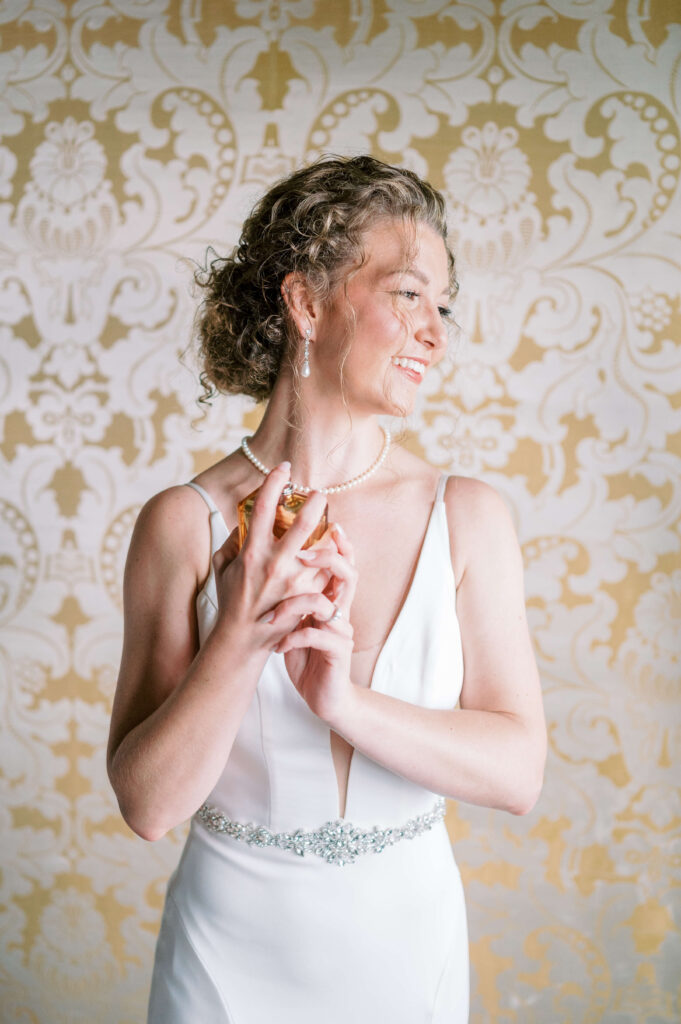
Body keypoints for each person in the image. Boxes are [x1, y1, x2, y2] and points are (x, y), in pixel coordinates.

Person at [107, 154, 546, 1024]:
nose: (436, 333)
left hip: (407, 951)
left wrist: (339, 700)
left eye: (443, 306)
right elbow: (149, 806)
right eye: (408, 295)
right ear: (306, 303)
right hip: (226, 960)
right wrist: (236, 634)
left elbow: (518, 771)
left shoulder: (466, 516)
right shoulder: (181, 524)